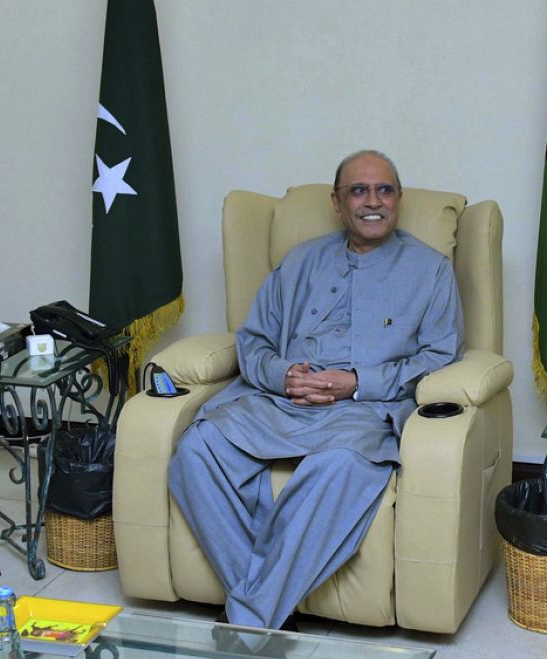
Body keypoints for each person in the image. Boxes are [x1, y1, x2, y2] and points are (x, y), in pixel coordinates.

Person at [168, 150, 464, 632]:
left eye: (385, 190)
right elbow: (255, 340)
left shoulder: (430, 271)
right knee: (197, 448)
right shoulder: (300, 261)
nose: (374, 201)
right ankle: (266, 611)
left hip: (361, 411)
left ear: (399, 199)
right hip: (276, 402)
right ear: (337, 202)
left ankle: (246, 624)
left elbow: (439, 357)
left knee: (340, 465)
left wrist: (357, 383)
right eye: (359, 191)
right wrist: (281, 374)